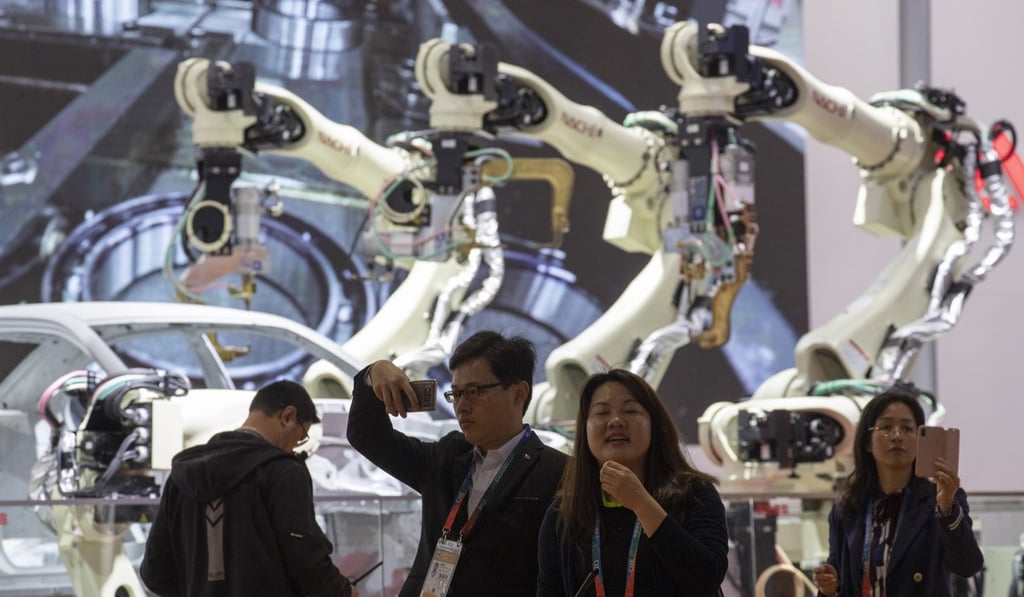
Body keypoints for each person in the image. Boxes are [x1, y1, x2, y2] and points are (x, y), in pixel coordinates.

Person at [347, 330, 567, 597]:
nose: (462, 406)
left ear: (519, 393)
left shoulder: (559, 472)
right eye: (456, 394)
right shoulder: (447, 456)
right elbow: (366, 435)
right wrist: (373, 375)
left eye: (473, 392)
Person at [140, 380, 356, 597]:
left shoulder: (181, 475)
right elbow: (306, 560)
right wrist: (343, 592)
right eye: (301, 437)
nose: (294, 448)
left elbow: (155, 573)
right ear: (288, 416)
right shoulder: (281, 471)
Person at [536, 369, 729, 596]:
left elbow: (706, 578)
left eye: (630, 410)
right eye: (601, 413)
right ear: (584, 429)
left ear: (653, 425)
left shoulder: (694, 493)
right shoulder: (563, 512)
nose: (616, 421)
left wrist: (640, 502)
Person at [812, 387, 983, 597]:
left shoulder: (941, 500)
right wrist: (828, 588)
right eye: (885, 427)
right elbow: (838, 580)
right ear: (867, 441)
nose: (896, 436)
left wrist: (947, 508)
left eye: (908, 428)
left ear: (921, 440)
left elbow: (968, 565)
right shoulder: (848, 507)